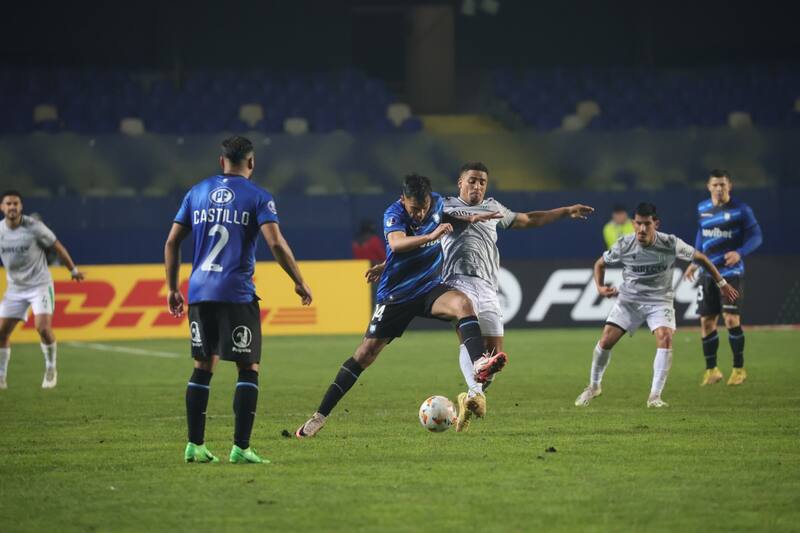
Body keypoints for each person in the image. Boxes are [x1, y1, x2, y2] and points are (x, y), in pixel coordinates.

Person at [295, 173, 507, 438]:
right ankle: (319, 416)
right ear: (403, 201)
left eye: (423, 208)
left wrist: (470, 218)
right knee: (365, 354)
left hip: (429, 288)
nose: (419, 214)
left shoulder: (438, 203)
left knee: (463, 304)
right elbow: (397, 244)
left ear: (430, 199)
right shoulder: (393, 213)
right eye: (413, 209)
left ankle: (479, 363)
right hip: (397, 295)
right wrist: (430, 235)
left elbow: (445, 217)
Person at [165, 136, 312, 464]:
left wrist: (172, 287)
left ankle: (195, 446)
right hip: (235, 292)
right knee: (248, 367)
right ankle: (241, 448)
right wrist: (299, 281)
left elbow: (172, 241)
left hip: (199, 291)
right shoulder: (258, 196)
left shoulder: (197, 192)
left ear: (221, 162)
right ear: (252, 163)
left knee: (202, 367)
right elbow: (275, 243)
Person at [439, 162, 594, 431]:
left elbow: (528, 219)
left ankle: (471, 395)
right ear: (460, 183)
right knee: (471, 339)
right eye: (472, 180)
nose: (477, 186)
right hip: (457, 282)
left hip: (487, 285)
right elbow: (422, 233)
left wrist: (565, 211)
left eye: (482, 182)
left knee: (495, 357)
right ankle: (475, 394)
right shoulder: (444, 207)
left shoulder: (493, 208)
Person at [574, 202, 738, 408]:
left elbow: (701, 258)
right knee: (606, 341)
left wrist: (722, 283)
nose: (642, 229)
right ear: (633, 224)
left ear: (656, 224)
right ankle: (594, 386)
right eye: (639, 224)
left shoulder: (670, 243)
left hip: (659, 301)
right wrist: (599, 287)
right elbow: (600, 264)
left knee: (665, 337)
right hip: (629, 301)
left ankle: (654, 396)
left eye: (647, 224)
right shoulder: (624, 244)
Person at [684, 169, 762, 386]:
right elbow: (701, 234)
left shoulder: (741, 210)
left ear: (730, 186)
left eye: (723, 185)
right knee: (707, 322)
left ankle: (738, 369)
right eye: (715, 185)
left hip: (731, 273)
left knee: (730, 319)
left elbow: (756, 236)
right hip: (707, 273)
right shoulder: (702, 208)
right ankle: (712, 371)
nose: (719, 188)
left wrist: (740, 252)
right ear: (709, 187)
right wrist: (694, 261)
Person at [0, 191, 84, 390]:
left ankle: (51, 368)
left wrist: (73, 270)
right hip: (15, 288)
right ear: (2, 207)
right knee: (1, 333)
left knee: (42, 328)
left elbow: (58, 247)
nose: (12, 207)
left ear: (21, 207)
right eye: (8, 204)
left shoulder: (34, 227)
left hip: (39, 285)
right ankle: (1, 376)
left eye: (16, 203)